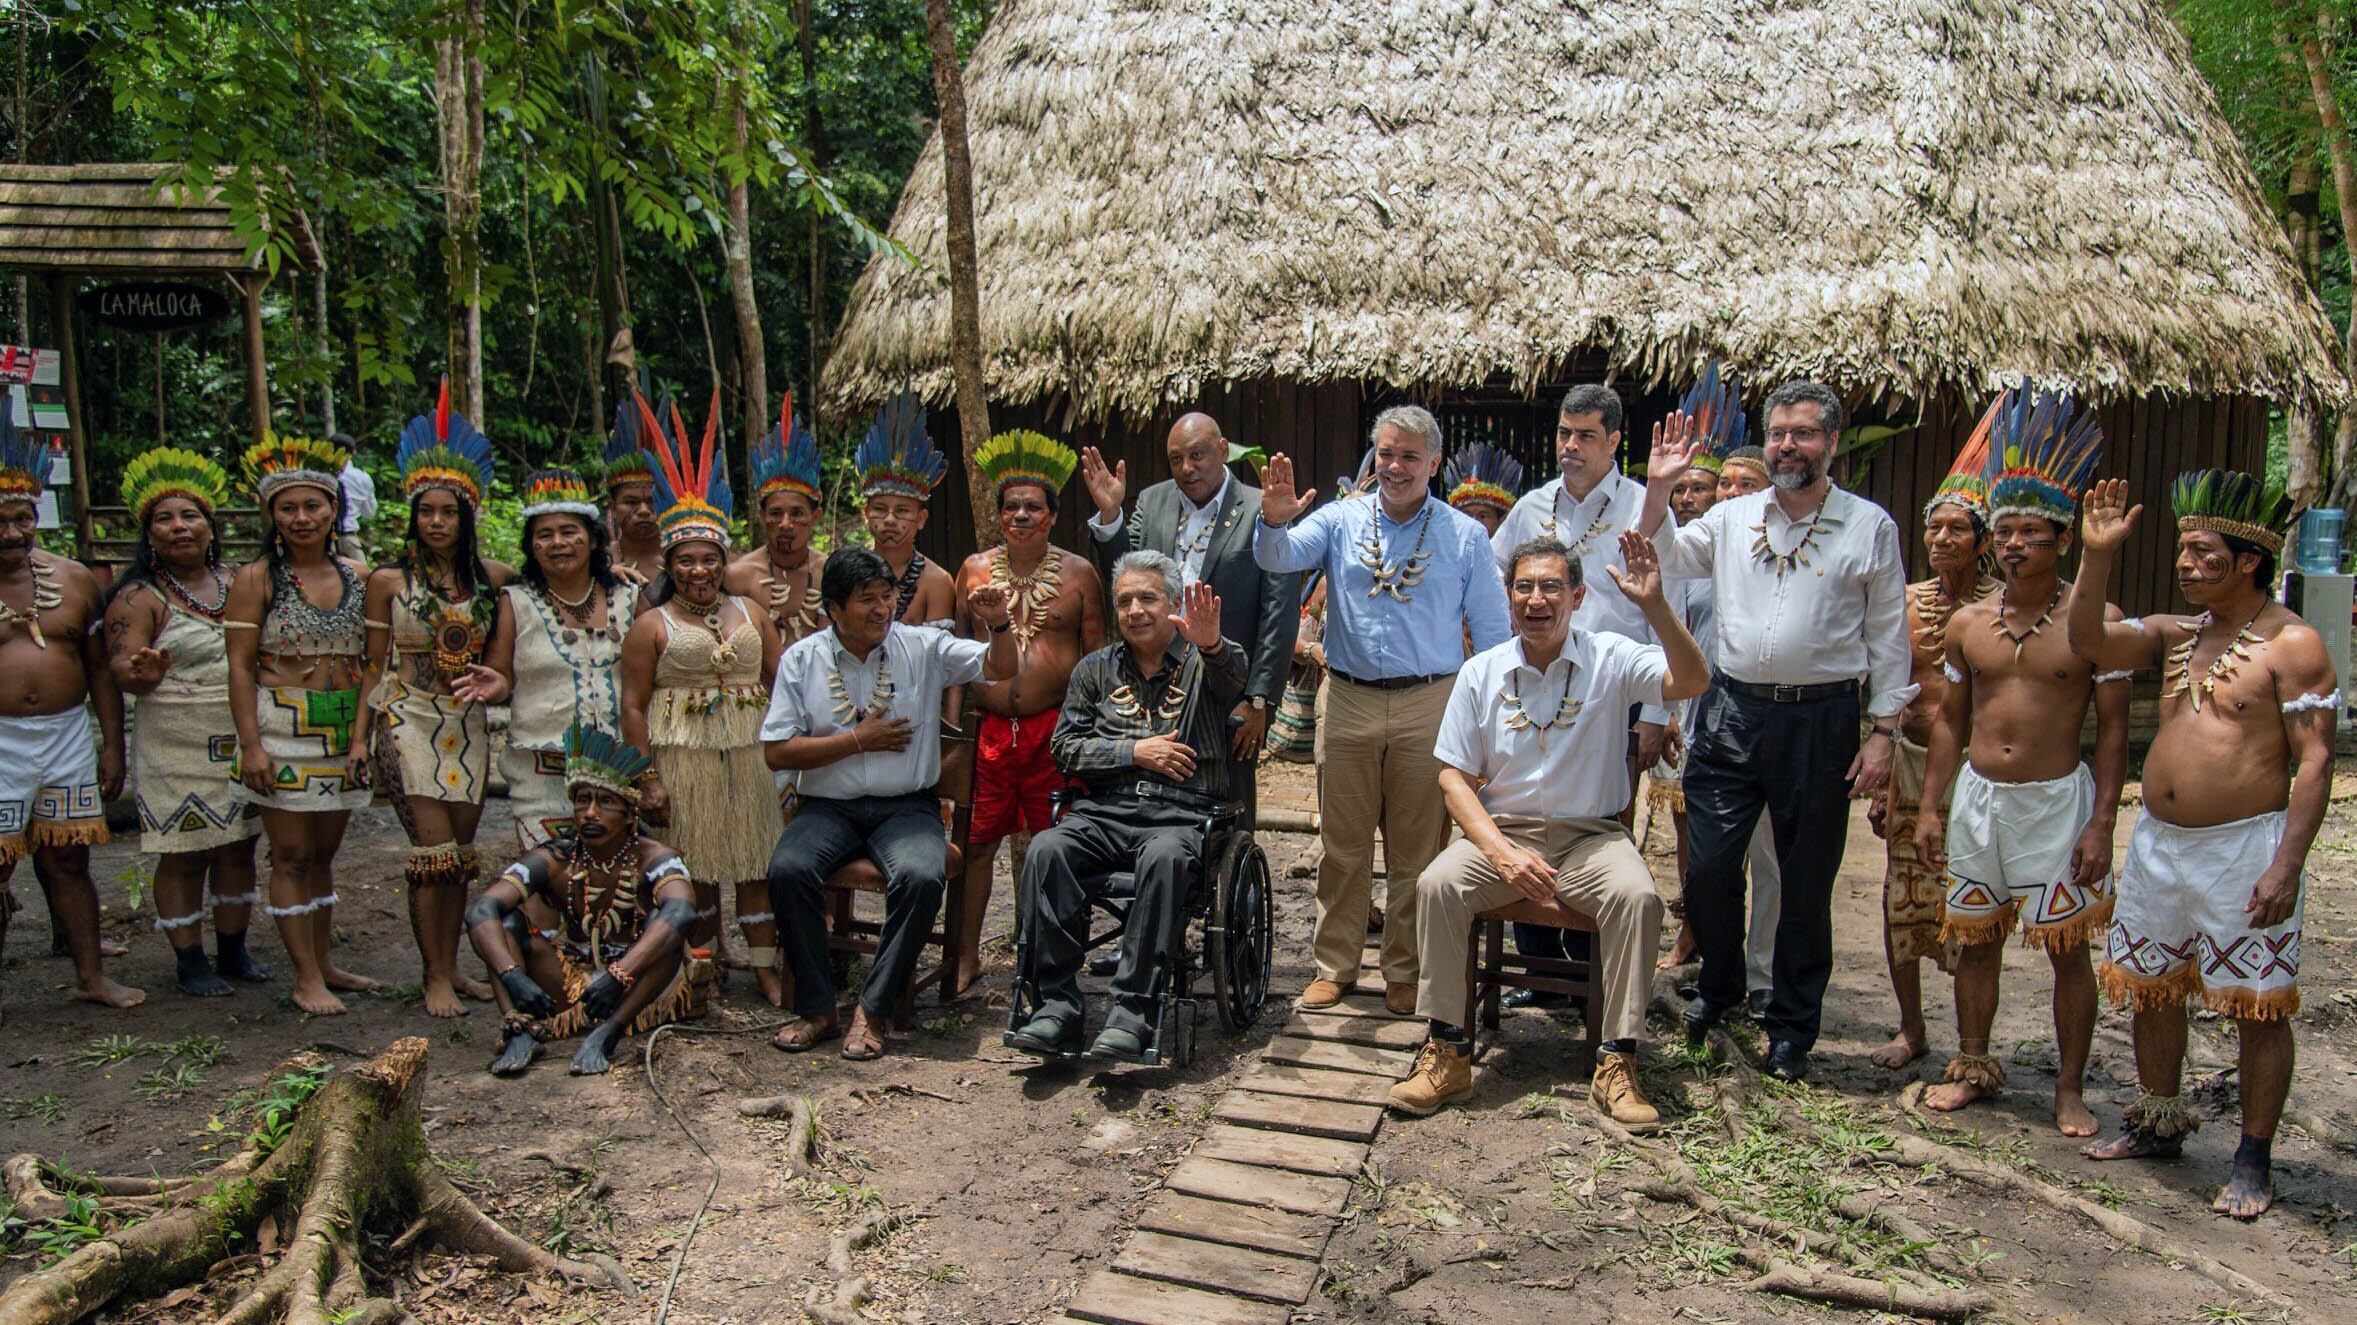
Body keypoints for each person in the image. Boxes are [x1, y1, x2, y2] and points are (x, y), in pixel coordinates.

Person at [2067, 471, 2335, 1220]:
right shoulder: (2175, 633)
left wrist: (2286, 861)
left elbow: (2315, 760)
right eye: (2181, 550)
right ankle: (2157, 1122)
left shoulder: (2293, 642)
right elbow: (2087, 638)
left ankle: (2252, 1157)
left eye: (2200, 551)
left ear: (2247, 560)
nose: (2184, 563)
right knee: (2153, 985)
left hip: (2243, 848)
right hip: (2158, 843)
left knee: (2256, 1006)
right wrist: (2095, 556)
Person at [1642, 380, 1913, 1082]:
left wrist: (1882, 730)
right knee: (1706, 868)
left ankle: (1791, 1025)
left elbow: (1887, 635)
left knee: (1803, 880)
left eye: (1803, 433)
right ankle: (1721, 988)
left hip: (1821, 719)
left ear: (1830, 442)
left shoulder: (1867, 525)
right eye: (1779, 433)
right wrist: (1657, 489)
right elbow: (1663, 557)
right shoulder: (1732, 519)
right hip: (1731, 712)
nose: (1788, 445)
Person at [1387, 532, 1708, 1123]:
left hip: (1591, 837)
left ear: (1578, 595)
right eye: (1524, 586)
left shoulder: (1612, 656)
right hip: (1502, 834)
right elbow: (1454, 780)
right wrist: (1503, 855)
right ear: (1509, 596)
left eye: (1552, 586)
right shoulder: (1481, 671)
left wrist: (1656, 605)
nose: (1537, 599)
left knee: (1637, 897)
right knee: (1437, 885)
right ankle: (1448, 1052)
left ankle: (1618, 1061)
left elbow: (1692, 681)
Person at [1255, 406, 1512, 1015]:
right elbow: (1277, 558)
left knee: (1416, 848)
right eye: (1386, 455)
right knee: (1342, 844)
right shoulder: (1341, 519)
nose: (1395, 467)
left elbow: (1496, 638)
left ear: (1434, 463)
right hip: (1345, 697)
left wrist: (1487, 724)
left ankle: (1404, 967)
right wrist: (1272, 521)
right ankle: (1335, 965)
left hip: (1431, 701)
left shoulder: (1464, 535)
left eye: (1409, 457)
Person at [1916, 390, 2124, 1137]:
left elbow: (2111, 733)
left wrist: (2100, 823)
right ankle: (1972, 1063)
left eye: (2029, 532)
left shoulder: (2094, 627)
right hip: (1979, 798)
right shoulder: (1967, 623)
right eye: (2002, 532)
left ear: (2061, 541)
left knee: (2067, 949)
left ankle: (2068, 1088)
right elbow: (1948, 719)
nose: (2012, 545)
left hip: (2054, 803)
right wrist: (1933, 805)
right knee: (1973, 939)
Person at [762, 548, 1017, 1058]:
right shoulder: (802, 659)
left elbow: (1000, 667)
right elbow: (777, 752)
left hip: (906, 807)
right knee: (787, 870)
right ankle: (817, 1009)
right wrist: (859, 739)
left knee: (923, 876)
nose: (882, 610)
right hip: (827, 808)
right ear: (834, 610)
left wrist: (1000, 625)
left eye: (888, 597)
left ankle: (873, 1009)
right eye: (867, 601)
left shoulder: (920, 645)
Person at [1009, 554, 1244, 1060]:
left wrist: (1212, 644)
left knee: (1164, 859)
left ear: (1174, 604)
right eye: (1124, 601)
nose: (1135, 610)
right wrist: (1133, 752)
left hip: (1182, 814)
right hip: (1105, 811)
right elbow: (1064, 747)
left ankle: (1134, 1011)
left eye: (1148, 598)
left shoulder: (1206, 660)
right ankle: (1056, 1007)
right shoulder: (1094, 670)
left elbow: (1235, 681)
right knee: (1048, 850)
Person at [1489, 386, 1675, 1000]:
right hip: (1532, 693)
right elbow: (1499, 593)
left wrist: (1654, 713)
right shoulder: (1531, 507)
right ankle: (1542, 976)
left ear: (1615, 441)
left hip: (1611, 698)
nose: (1570, 446)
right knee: (1523, 821)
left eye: (1586, 435)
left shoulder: (1643, 510)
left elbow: (1658, 607)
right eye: (1564, 433)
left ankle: (1594, 980)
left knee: (1601, 837)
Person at [351, 380, 511, 1018]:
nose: (437, 523)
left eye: (448, 512)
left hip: (467, 723)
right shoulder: (387, 582)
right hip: (406, 717)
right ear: (412, 516)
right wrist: (362, 739)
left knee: (460, 861)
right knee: (431, 856)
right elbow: (371, 665)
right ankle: (434, 977)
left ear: (467, 515)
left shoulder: (494, 579)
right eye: (427, 512)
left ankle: (454, 967)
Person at [619, 390, 783, 975]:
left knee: (757, 859)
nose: (699, 570)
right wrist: (647, 780)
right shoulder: (649, 626)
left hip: (752, 752)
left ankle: (765, 968)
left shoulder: (752, 611)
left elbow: (782, 681)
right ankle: (705, 966)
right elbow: (633, 708)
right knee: (702, 861)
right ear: (669, 565)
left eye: (709, 558)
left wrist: (792, 759)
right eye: (686, 560)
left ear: (723, 559)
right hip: (682, 755)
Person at [105, 447, 268, 998]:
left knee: (239, 844)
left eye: (190, 516)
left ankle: (234, 950)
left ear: (210, 525)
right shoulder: (137, 596)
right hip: (173, 739)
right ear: (148, 534)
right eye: (165, 519)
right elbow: (121, 666)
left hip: (241, 735)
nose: (179, 527)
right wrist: (140, 670)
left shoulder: (240, 581)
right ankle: (189, 959)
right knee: (183, 850)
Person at [225, 434, 379, 1016]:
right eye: (287, 508)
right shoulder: (256, 578)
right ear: (271, 516)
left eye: (312, 505)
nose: (301, 518)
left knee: (322, 855)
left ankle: (325, 962)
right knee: (289, 854)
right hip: (282, 727)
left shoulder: (361, 576)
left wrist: (363, 736)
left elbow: (373, 663)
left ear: (335, 508)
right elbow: (240, 668)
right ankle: (305, 976)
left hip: (344, 731)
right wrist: (252, 746)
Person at [1866, 418, 1999, 1066]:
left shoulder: (2003, 608)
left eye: (1956, 528)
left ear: (1982, 541)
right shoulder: (1906, 603)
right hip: (1911, 766)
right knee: (1902, 902)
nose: (1941, 538)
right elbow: (1888, 689)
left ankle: (1974, 1043)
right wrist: (1882, 769)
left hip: (1978, 776)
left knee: (1973, 908)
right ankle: (1911, 1027)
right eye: (1934, 527)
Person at [953, 430, 1106, 994]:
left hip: (1054, 736)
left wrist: (1091, 735)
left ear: (1052, 517)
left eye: (1032, 507)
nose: (1020, 514)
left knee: (1058, 845)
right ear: (997, 515)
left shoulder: (1079, 575)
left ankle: (1050, 959)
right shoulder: (971, 572)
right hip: (989, 734)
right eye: (1010, 506)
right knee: (975, 847)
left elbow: (1095, 662)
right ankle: (965, 955)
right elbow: (955, 655)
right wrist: (954, 731)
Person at [0, 415, 141, 1020]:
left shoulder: (75, 578)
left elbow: (99, 670)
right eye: (0, 520)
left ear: (37, 516)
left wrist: (112, 745)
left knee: (69, 860)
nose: (12, 531)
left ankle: (90, 976)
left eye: (22, 518)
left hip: (63, 737)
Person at [1079, 412, 1301, 788]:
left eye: (1198, 455)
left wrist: (1260, 699)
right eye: (1176, 459)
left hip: (1227, 681)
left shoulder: (1260, 509)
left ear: (1224, 450)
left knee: (1230, 796)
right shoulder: (1153, 502)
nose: (1187, 468)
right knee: (1151, 791)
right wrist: (1111, 514)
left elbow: (1278, 611)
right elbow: (1124, 573)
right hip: (1153, 678)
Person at [467, 722, 699, 1076]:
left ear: (630, 814)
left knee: (667, 928)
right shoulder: (556, 859)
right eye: (582, 802)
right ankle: (519, 1028)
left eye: (605, 802)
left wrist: (618, 975)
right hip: (571, 981)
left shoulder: (656, 858)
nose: (590, 813)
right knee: (505, 922)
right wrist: (512, 976)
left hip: (635, 987)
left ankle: (609, 1031)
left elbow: (682, 911)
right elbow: (483, 910)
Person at [1648, 373, 1779, 994]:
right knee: (1702, 846)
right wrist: (1662, 706)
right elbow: (1658, 628)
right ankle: (1697, 936)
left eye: (1739, 485)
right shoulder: (1693, 554)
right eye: (1717, 484)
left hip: (1760, 715)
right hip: (1694, 715)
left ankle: (1761, 974)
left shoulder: (1774, 554)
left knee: (1766, 854)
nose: (1725, 495)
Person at [477, 465, 642, 852]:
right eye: (544, 535)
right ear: (531, 545)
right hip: (542, 776)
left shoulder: (630, 599)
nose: (558, 543)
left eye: (569, 532)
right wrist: (494, 684)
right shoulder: (515, 603)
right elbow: (501, 677)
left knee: (613, 892)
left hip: (620, 772)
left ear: (591, 539)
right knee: (547, 887)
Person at [726, 393, 827, 645]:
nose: (785, 524)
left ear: (816, 516)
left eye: (797, 514)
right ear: (761, 516)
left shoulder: (830, 572)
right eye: (775, 514)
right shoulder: (738, 576)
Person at [856, 392, 958, 626]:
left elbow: (938, 657)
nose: (890, 520)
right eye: (880, 509)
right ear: (866, 514)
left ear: (921, 519)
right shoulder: (845, 575)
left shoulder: (937, 582)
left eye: (902, 511)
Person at [603, 397, 666, 589]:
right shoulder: (595, 561)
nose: (644, 511)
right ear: (612, 508)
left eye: (653, 501)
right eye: (631, 502)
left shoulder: (690, 559)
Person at [1441, 441, 1523, 538]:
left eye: (1483, 516)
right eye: (1467, 515)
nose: (1474, 522)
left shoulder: (1514, 552)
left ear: (1500, 521)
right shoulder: (1444, 551)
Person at [336, 444, 375, 564]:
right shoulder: (361, 477)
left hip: (320, 542)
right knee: (362, 578)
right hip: (349, 538)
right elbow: (369, 513)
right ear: (353, 453)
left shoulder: (317, 475)